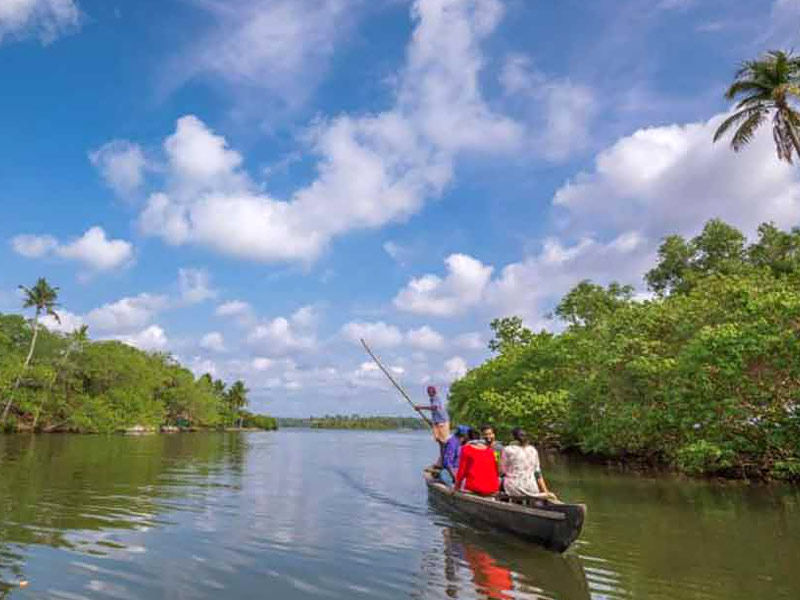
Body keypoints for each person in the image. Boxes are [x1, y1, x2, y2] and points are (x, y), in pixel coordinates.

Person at [500, 427, 552, 499]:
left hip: (514, 488)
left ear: (512, 437)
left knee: (500, 480)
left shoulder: (507, 449)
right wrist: (546, 491)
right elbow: (538, 473)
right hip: (532, 488)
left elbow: (502, 471)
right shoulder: (533, 450)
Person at [455, 429, 500, 496]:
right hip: (493, 488)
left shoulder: (466, 449)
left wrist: (456, 487)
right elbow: (496, 471)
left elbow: (461, 471)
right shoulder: (490, 450)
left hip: (475, 487)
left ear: (468, 438)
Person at [415, 385, 450, 464]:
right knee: (439, 441)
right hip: (437, 422)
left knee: (444, 442)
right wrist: (432, 422)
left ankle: (445, 459)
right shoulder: (431, 399)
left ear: (433, 391)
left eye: (429, 391)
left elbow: (434, 407)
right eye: (428, 392)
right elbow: (434, 412)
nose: (428, 393)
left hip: (442, 422)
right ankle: (442, 459)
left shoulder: (436, 398)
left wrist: (421, 407)